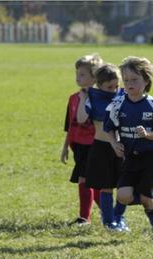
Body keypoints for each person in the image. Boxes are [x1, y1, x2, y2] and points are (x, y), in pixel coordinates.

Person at [104, 56, 153, 242]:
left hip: (152, 158)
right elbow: (108, 128)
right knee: (123, 196)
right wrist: (114, 143)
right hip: (130, 158)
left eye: (135, 79)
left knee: (145, 199)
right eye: (126, 80)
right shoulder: (117, 104)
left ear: (146, 81)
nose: (129, 84)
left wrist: (148, 135)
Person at [78, 63, 129, 232]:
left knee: (124, 187)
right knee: (106, 187)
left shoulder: (123, 96)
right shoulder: (92, 97)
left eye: (116, 86)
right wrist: (83, 99)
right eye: (109, 87)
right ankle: (109, 222)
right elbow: (81, 119)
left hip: (121, 147)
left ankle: (119, 218)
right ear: (98, 85)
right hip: (101, 148)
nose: (114, 90)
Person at [61, 53, 102, 226]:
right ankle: (110, 214)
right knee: (92, 182)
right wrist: (65, 147)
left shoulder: (99, 98)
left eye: (83, 74)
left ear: (94, 77)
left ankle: (84, 218)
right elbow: (70, 125)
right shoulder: (72, 98)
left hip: (93, 145)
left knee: (85, 180)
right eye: (77, 73)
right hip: (78, 146)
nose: (78, 77)